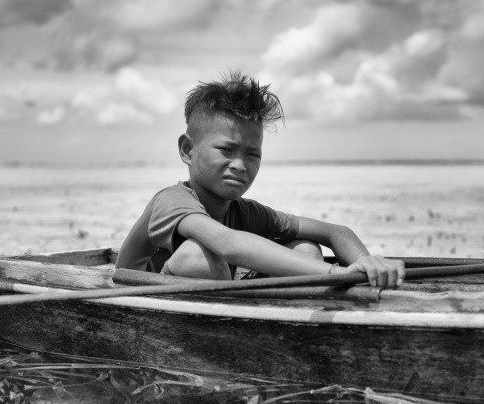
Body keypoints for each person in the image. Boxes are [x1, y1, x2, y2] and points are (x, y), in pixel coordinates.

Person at [114, 71, 405, 290]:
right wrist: (333, 274)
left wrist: (364, 268)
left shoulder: (245, 213)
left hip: (216, 299)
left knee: (305, 249)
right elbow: (226, 243)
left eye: (252, 154)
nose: (240, 165)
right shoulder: (171, 202)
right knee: (197, 255)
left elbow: (335, 232)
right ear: (188, 150)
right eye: (226, 150)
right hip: (140, 298)